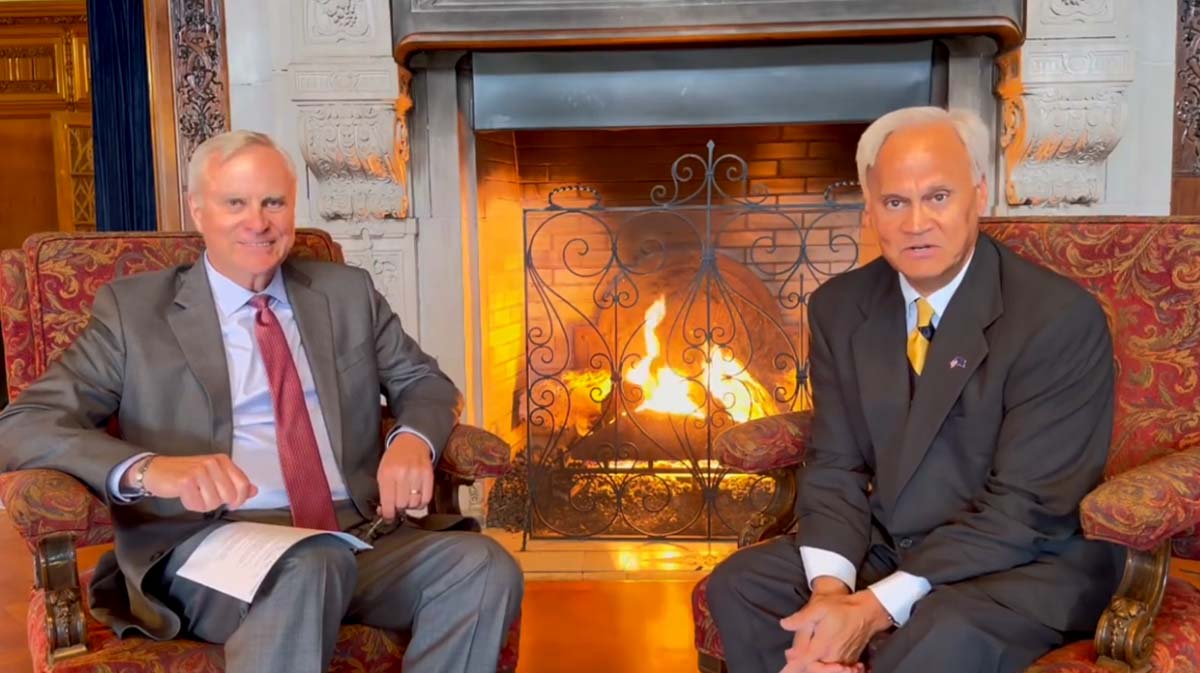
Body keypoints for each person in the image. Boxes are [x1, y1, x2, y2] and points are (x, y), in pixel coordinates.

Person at [0, 130, 523, 673]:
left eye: (274, 202)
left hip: (354, 530)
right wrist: (149, 470)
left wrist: (413, 440)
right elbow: (21, 425)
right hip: (208, 543)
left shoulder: (346, 293)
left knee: (482, 566)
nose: (259, 222)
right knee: (310, 564)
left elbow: (425, 382)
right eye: (236, 203)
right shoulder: (134, 314)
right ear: (199, 210)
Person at [706, 107, 1123, 673]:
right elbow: (835, 463)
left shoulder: (1057, 319)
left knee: (938, 635)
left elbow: (1027, 510)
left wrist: (873, 608)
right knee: (743, 586)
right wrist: (831, 594)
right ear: (870, 208)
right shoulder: (840, 307)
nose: (916, 222)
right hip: (890, 541)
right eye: (895, 202)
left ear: (978, 194)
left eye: (938, 197)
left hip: (1024, 562)